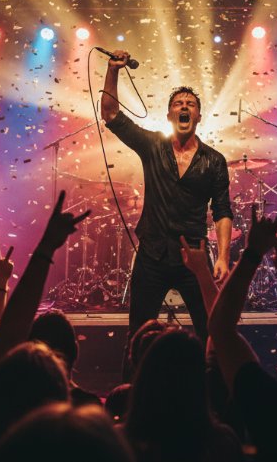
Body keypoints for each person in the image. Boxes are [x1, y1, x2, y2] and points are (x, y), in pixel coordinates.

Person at [100, 50, 234, 343]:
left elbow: (223, 211)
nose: (183, 107)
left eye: (190, 104)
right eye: (178, 104)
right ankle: (134, 386)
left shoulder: (214, 160)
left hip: (195, 258)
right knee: (138, 334)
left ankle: (212, 385)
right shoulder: (152, 145)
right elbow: (110, 113)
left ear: (198, 116)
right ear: (170, 115)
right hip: (153, 255)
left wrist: (223, 256)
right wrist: (113, 71)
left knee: (210, 330)